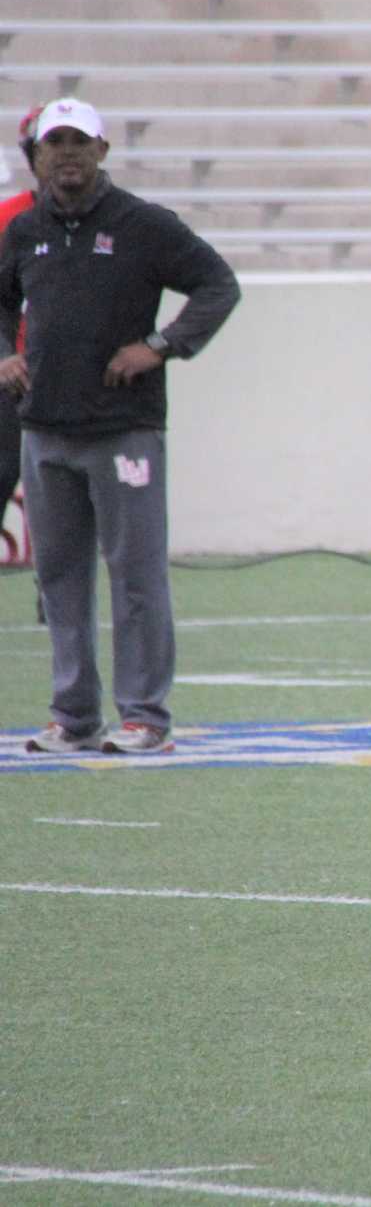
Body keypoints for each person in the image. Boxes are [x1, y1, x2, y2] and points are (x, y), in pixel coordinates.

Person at [0, 97, 242, 755]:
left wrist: (161, 345)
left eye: (81, 142)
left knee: (135, 573)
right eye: (57, 143)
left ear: (103, 151)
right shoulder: (23, 231)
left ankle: (145, 716)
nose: (69, 154)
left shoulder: (143, 224)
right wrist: (6, 354)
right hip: (44, 429)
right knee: (59, 579)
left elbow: (217, 285)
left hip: (123, 428)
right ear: (38, 154)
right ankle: (74, 716)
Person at [0, 104, 40, 553]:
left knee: (76, 483)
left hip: (71, 371)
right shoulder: (8, 216)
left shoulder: (112, 219)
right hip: (13, 370)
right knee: (4, 467)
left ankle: (60, 593)